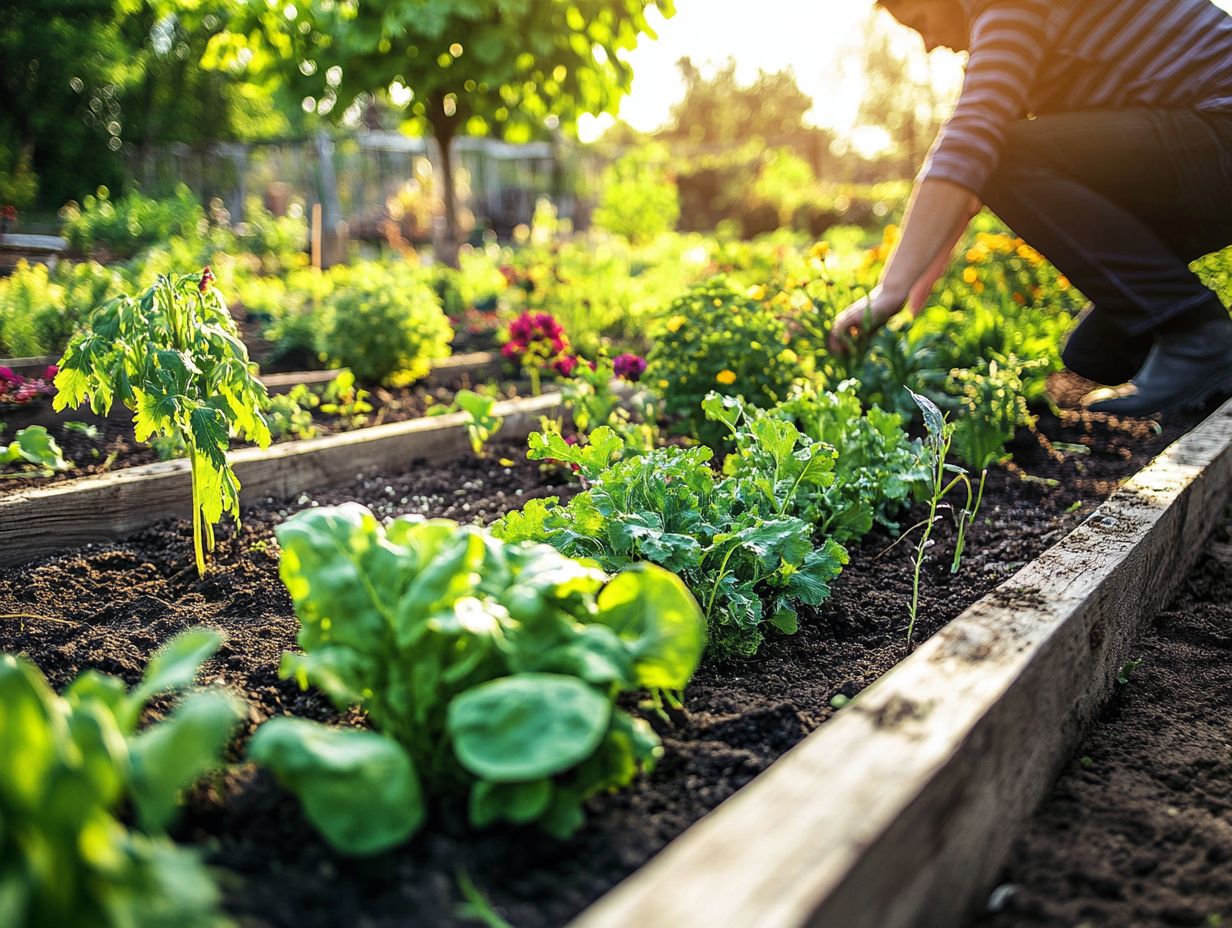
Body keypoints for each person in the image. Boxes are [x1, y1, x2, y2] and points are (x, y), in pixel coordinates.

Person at [831, 0, 1232, 417]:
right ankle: (1211, 371)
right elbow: (967, 195)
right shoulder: (1015, 38)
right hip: (1204, 154)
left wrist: (887, 292)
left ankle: (1197, 331)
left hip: (1220, 129)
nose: (929, 44)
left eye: (920, 23)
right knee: (1098, 353)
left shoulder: (1009, 5)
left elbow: (972, 149)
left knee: (998, 153)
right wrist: (909, 303)